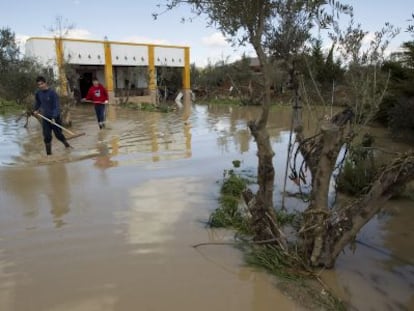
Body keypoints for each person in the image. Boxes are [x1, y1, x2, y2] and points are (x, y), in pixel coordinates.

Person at [33, 76, 71, 155]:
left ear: (45, 83)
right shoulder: (38, 93)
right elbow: (38, 103)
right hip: (46, 118)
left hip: (55, 117)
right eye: (39, 85)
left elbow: (56, 106)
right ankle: (49, 155)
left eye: (42, 84)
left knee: (58, 135)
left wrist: (54, 117)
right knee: (47, 136)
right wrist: (36, 110)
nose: (40, 86)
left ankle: (66, 145)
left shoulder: (53, 93)